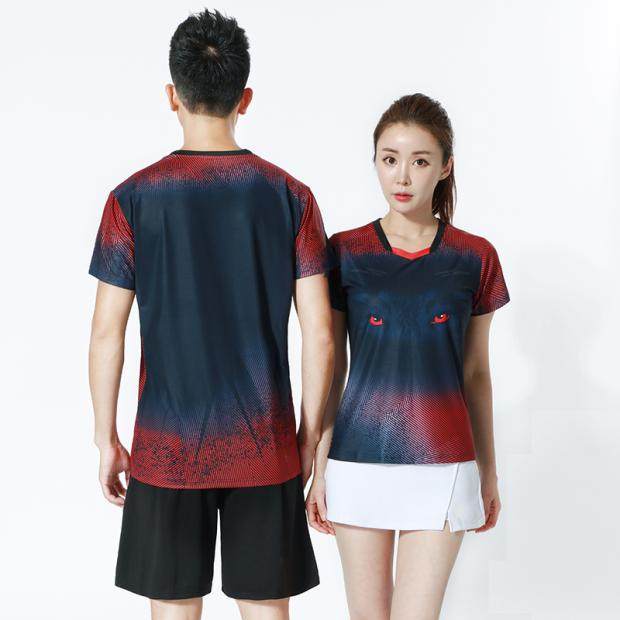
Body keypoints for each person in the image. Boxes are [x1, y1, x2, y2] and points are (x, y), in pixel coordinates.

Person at [87, 9, 335, 620]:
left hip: (166, 445)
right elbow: (321, 335)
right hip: (265, 442)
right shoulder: (291, 196)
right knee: (266, 610)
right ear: (244, 98)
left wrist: (106, 438)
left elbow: (106, 333)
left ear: (172, 95)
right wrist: (309, 438)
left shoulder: (132, 199)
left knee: (173, 609)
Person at [305, 93, 511, 620]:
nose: (402, 176)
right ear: (375, 161)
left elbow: (476, 374)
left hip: (444, 461)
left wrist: (488, 472)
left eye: (420, 161)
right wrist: (320, 468)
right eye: (389, 159)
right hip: (356, 459)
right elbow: (333, 370)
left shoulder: (475, 257)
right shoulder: (344, 251)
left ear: (445, 167)